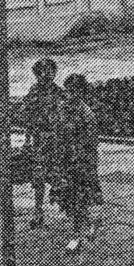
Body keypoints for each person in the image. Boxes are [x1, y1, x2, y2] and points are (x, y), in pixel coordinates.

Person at [53, 73, 102, 254]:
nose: (69, 95)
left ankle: (76, 237)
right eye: (68, 91)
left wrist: (89, 167)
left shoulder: (87, 114)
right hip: (65, 160)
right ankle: (89, 223)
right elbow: (58, 134)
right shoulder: (62, 109)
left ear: (81, 93)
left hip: (81, 162)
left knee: (77, 199)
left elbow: (92, 144)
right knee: (69, 199)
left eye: (74, 91)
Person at [21, 57, 64, 229]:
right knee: (38, 177)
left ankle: (69, 207)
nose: (46, 75)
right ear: (37, 74)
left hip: (56, 140)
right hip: (40, 140)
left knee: (59, 175)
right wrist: (27, 140)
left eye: (50, 71)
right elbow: (29, 118)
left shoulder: (59, 92)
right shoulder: (34, 92)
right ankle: (38, 212)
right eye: (42, 72)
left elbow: (65, 116)